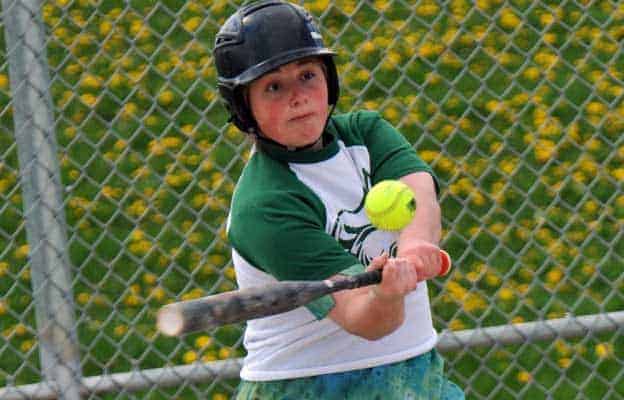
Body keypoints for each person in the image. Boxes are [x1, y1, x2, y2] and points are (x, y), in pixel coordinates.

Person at [213, 1, 464, 398]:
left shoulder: (365, 133)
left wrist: (416, 244)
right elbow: (367, 321)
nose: (299, 96)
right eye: (274, 87)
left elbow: (419, 187)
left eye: (308, 75)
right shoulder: (265, 206)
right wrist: (386, 294)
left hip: (414, 374)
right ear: (244, 108)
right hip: (308, 386)